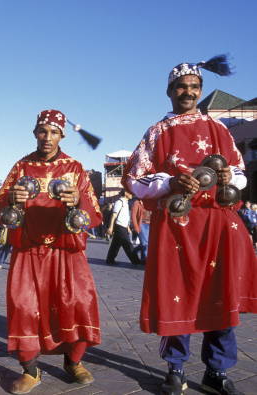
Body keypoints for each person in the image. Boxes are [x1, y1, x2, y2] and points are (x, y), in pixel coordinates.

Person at [123, 58, 256, 395]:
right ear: (170, 91)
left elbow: (239, 172)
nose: (188, 92)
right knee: (175, 296)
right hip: (177, 225)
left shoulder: (219, 129)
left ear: (200, 92)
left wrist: (230, 177)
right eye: (182, 87)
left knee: (219, 294)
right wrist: (169, 183)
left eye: (194, 88)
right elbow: (135, 180)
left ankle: (216, 372)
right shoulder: (156, 132)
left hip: (217, 224)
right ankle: (176, 369)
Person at [0, 109, 102, 394]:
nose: (47, 137)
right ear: (35, 133)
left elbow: (94, 211)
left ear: (62, 135)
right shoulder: (21, 167)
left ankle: (73, 362)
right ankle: (30, 369)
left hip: (66, 251)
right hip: (29, 251)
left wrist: (77, 199)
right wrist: (12, 201)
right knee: (24, 307)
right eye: (43, 131)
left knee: (77, 303)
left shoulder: (75, 168)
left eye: (54, 132)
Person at [105, 190, 141, 265]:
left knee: (115, 244)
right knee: (128, 244)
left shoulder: (126, 203)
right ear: (125, 193)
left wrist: (127, 227)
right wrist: (110, 227)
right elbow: (114, 215)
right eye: (130, 193)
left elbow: (124, 216)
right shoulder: (119, 202)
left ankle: (110, 259)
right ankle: (136, 261)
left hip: (123, 226)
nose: (132, 194)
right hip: (119, 227)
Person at [130, 198, 151, 264]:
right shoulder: (137, 203)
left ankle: (135, 253)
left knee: (146, 244)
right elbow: (133, 216)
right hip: (142, 224)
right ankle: (146, 260)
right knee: (145, 243)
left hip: (150, 225)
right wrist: (136, 227)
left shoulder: (151, 202)